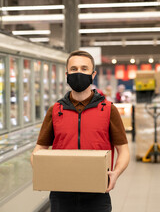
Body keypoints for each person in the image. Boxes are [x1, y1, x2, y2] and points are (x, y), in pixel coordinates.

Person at [31, 50, 130, 212]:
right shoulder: (55, 110)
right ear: (67, 74)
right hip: (61, 194)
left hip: (97, 193)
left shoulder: (108, 109)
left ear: (93, 74)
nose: (79, 73)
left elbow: (123, 150)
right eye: (74, 69)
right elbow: (39, 149)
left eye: (84, 69)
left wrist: (116, 173)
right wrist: (43, 172)